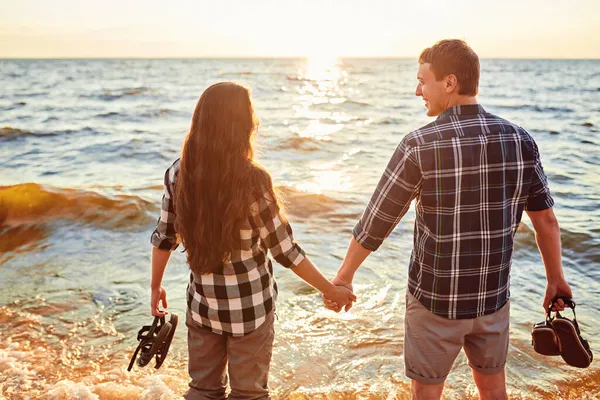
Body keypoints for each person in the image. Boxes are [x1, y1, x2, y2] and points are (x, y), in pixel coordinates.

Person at [324, 39, 573, 400]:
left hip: (435, 302)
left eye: (423, 81)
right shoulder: (520, 139)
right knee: (493, 389)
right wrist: (556, 281)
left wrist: (344, 277)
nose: (417, 90)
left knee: (427, 391)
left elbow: (377, 221)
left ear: (449, 83)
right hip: (493, 300)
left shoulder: (419, 145)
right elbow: (546, 221)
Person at [149, 82, 356, 400]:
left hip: (203, 305)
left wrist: (155, 286)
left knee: (202, 390)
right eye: (251, 117)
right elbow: (285, 251)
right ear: (242, 125)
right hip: (251, 310)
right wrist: (331, 290)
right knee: (249, 394)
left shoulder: (179, 173)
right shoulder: (253, 179)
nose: (256, 123)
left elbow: (165, 237)